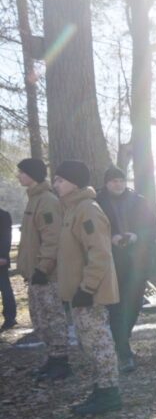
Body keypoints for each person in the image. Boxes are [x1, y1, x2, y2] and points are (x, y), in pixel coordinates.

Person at [52, 160, 123, 415]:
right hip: (80, 292)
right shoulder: (73, 208)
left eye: (60, 180)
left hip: (91, 293)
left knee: (98, 342)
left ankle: (109, 394)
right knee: (89, 342)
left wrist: (87, 288)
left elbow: (100, 253)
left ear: (74, 183)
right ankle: (101, 389)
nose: (55, 184)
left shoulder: (87, 210)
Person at [96, 166, 156, 373]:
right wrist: (111, 238)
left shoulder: (139, 201)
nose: (118, 184)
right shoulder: (97, 202)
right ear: (106, 183)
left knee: (133, 304)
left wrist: (136, 236)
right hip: (111, 263)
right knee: (115, 306)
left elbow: (153, 227)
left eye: (121, 180)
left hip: (137, 262)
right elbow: (92, 231)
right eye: (114, 181)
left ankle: (123, 338)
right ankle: (123, 351)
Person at [15, 158, 71, 380]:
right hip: (36, 274)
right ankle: (52, 358)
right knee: (40, 319)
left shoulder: (46, 201)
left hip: (47, 275)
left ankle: (61, 362)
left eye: (22, 172)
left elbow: (52, 238)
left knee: (52, 317)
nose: (18, 176)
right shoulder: (34, 199)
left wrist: (43, 267)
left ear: (32, 174)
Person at [0, 206, 15, 330]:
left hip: (0, 259)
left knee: (5, 289)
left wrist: (3, 256)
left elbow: (6, 237)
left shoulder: (3, 215)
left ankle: (10, 317)